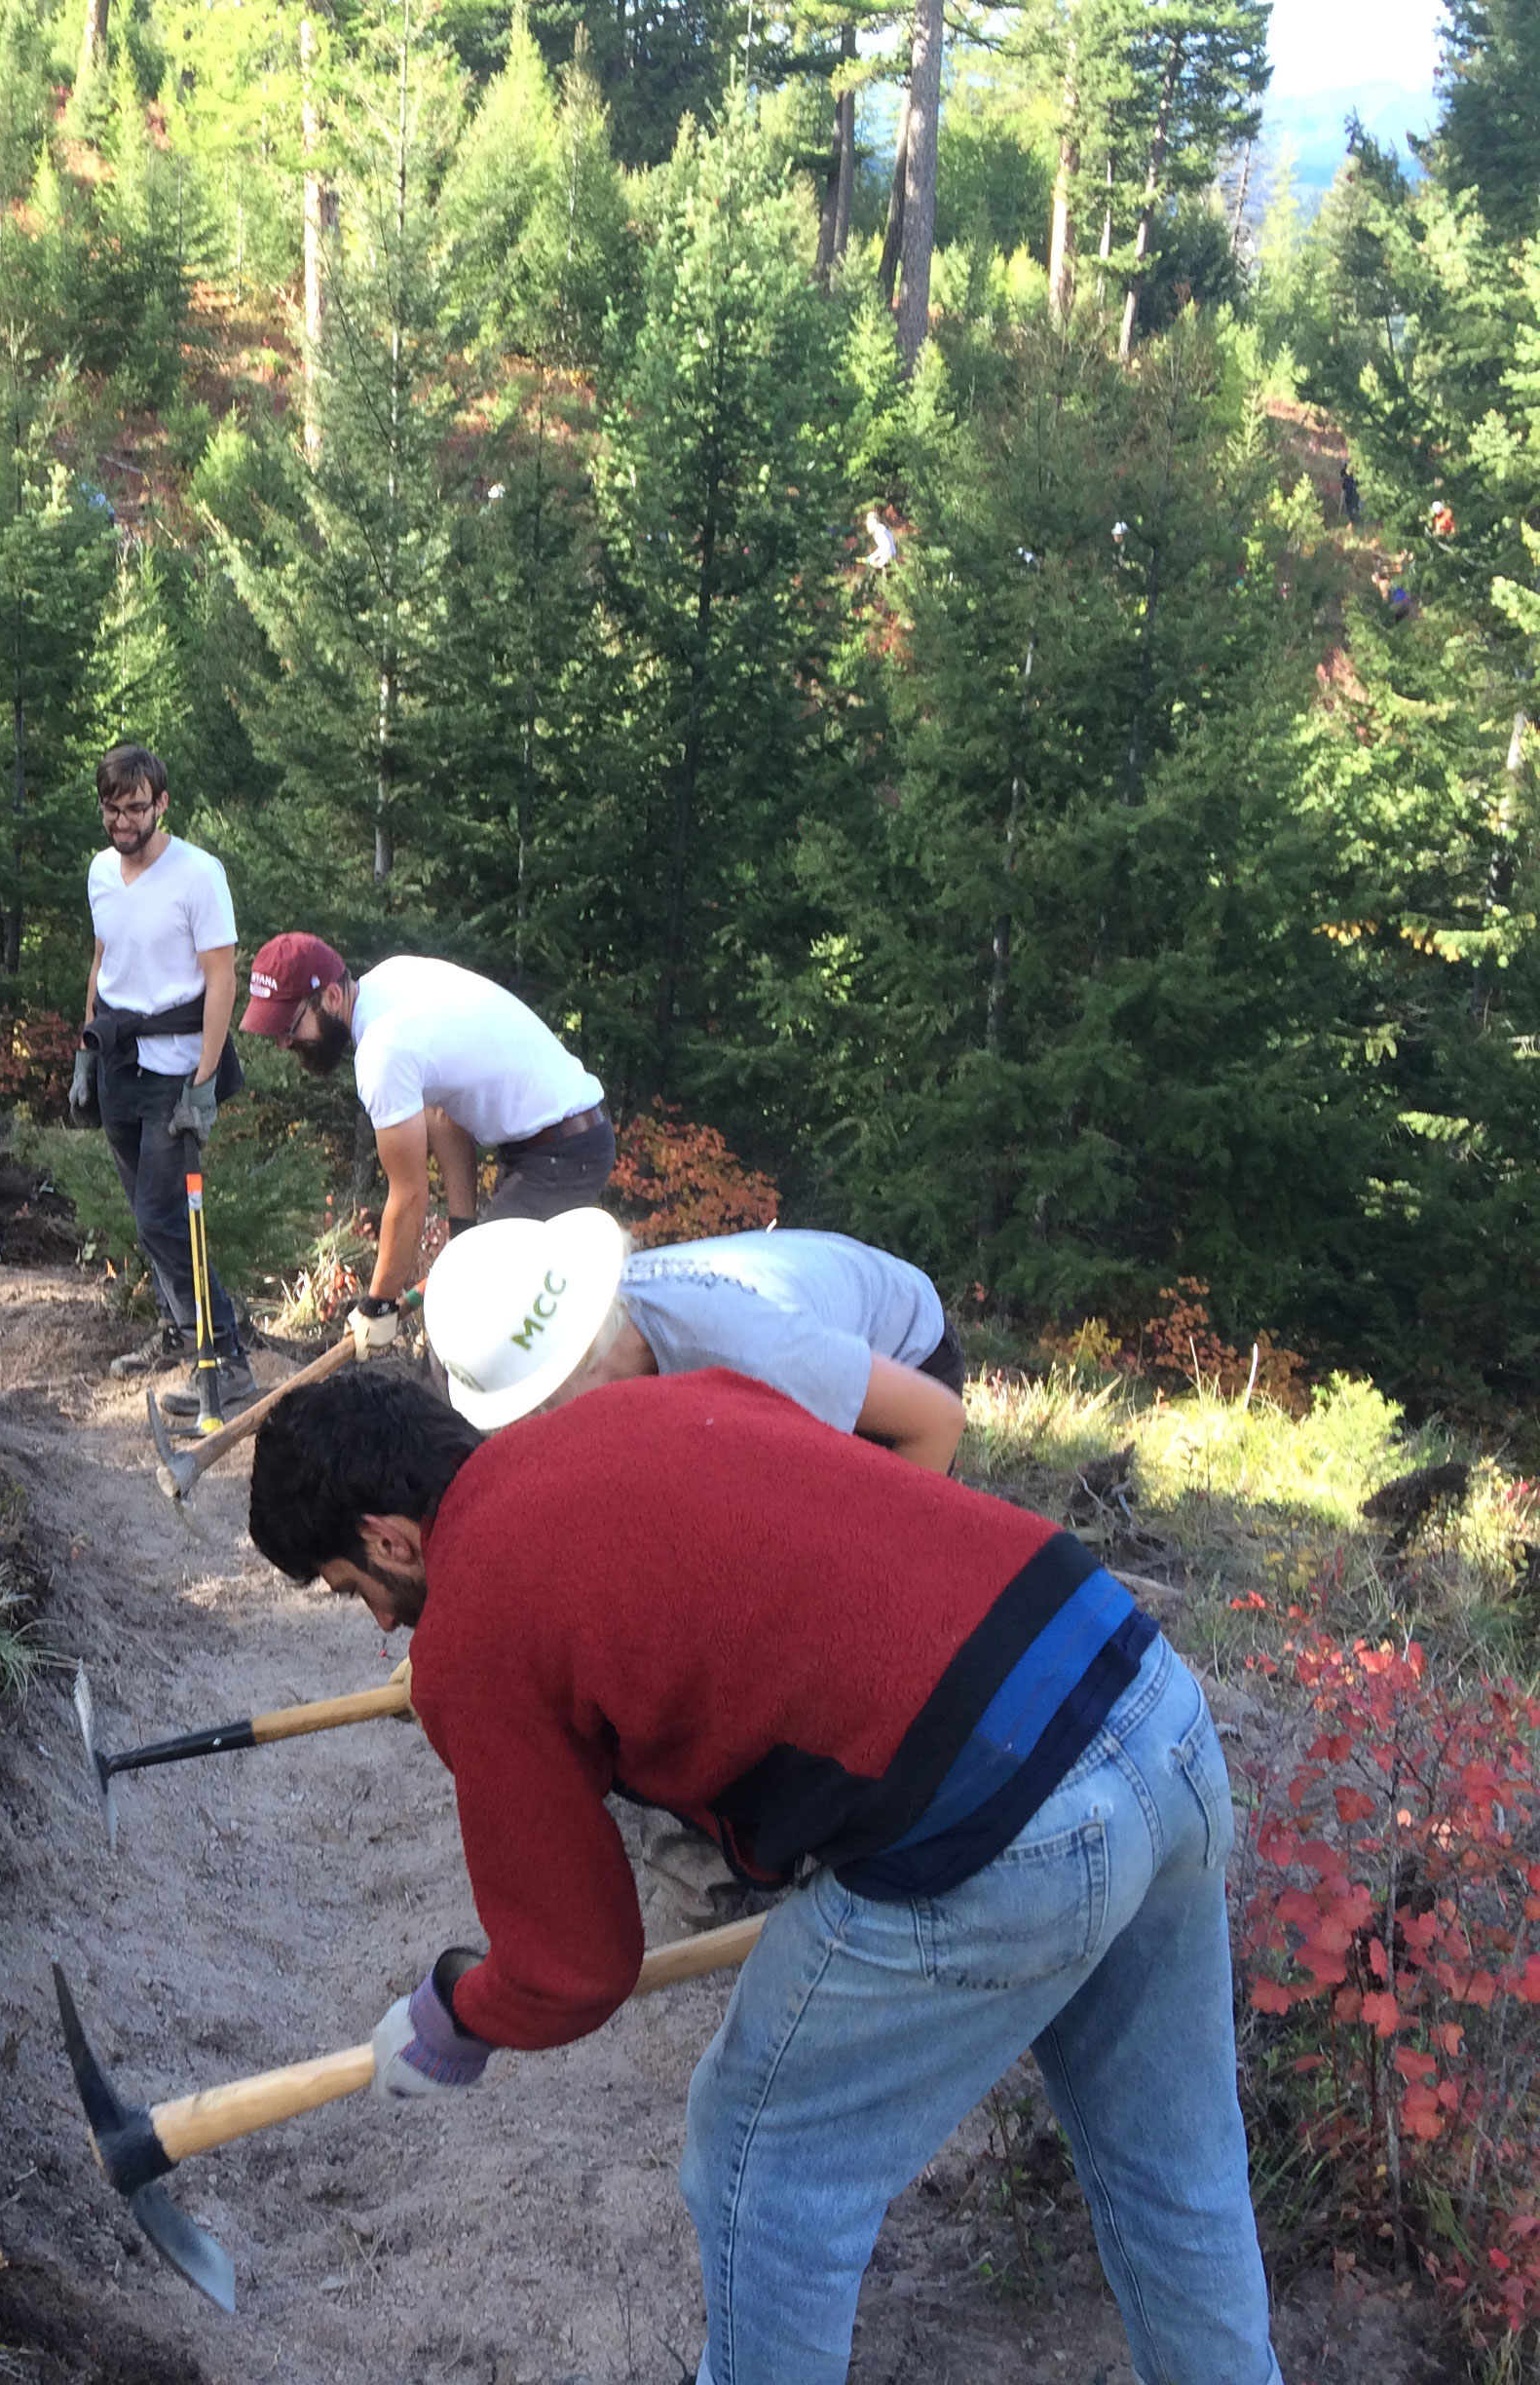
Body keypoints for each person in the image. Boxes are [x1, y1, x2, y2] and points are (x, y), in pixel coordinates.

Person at [245, 1367, 1276, 2385]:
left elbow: (573, 1969)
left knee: (765, 2165)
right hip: (1149, 1703)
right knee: (1172, 2171)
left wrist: (456, 2012)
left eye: (355, 1590)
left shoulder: (474, 1625)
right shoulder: (634, 1406)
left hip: (999, 1827)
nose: (383, 1624)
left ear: (390, 1535)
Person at [236, 932, 613, 1362]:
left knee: (467, 1329)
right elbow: (443, 1113)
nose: (284, 1042)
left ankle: (457, 1422)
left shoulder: (383, 1049)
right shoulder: (393, 978)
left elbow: (409, 1195)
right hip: (554, 1146)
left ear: (333, 996)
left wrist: (378, 1304)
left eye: (289, 1026)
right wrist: (463, 1230)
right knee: (482, 1300)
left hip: (563, 1155)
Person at [423, 1209, 968, 1472]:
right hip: (803, 1309)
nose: (536, 1430)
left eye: (539, 1407)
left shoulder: (754, 1352)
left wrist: (874, 1576)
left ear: (587, 1355)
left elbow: (936, 1421)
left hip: (907, 1358)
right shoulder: (615, 1327)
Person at [81, 743, 249, 1415]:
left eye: (135, 808)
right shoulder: (99, 871)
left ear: (162, 804)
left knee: (163, 1214)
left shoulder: (197, 875)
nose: (123, 822)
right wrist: (84, 1045)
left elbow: (221, 978)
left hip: (176, 1067)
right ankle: (183, 1334)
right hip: (118, 1060)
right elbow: (102, 954)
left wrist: (204, 1082)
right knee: (145, 1215)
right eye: (111, 809)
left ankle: (226, 1358)